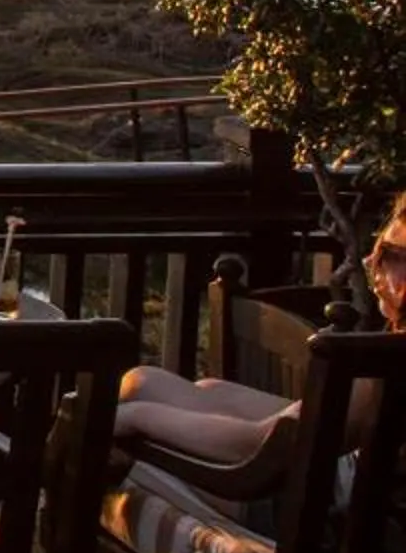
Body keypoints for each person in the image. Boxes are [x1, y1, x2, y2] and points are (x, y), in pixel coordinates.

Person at [112, 191, 406, 465]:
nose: (369, 260)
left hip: (303, 503)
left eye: (386, 254)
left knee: (123, 455)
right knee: (145, 382)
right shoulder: (385, 362)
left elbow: (257, 444)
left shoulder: (384, 365)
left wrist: (138, 417)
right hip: (318, 472)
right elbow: (291, 427)